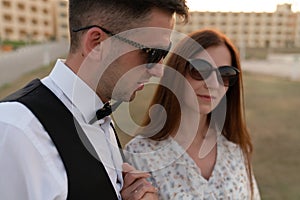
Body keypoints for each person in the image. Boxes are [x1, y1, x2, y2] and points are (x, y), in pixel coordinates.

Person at [0, 0, 189, 199]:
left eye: (165, 53)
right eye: (152, 53)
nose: (159, 70)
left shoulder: (101, 116)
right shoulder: (18, 130)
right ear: (97, 43)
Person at [124, 28, 261, 199]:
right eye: (200, 70)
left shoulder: (236, 149)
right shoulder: (139, 155)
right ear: (177, 72)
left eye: (225, 74)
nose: (213, 84)